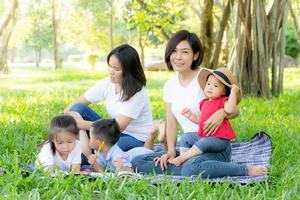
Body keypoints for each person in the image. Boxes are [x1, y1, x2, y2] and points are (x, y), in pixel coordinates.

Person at [131, 30, 268, 178]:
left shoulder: (207, 78)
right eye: (174, 51)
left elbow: (235, 111)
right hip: (190, 146)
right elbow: (171, 122)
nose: (178, 57)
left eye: (185, 52)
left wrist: (221, 113)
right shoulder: (170, 85)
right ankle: (193, 166)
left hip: (215, 146)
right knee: (139, 162)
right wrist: (170, 151)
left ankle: (242, 169)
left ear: (195, 55)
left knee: (191, 167)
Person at [64, 44, 153, 152]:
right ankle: (83, 145)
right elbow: (79, 102)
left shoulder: (138, 94)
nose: (111, 71)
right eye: (110, 66)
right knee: (78, 108)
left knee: (106, 150)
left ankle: (86, 149)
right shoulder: (107, 83)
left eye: (116, 69)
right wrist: (60, 124)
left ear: (129, 71)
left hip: (134, 138)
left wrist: (80, 124)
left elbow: (117, 128)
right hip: (110, 133)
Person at [169, 67, 241, 166]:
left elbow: (230, 109)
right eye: (208, 84)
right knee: (185, 137)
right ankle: (184, 160)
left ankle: (182, 158)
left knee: (203, 143)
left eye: (215, 86)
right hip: (205, 136)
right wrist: (190, 116)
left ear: (224, 92)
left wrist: (233, 93)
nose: (210, 87)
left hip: (219, 139)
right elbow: (201, 120)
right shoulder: (204, 103)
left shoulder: (223, 101)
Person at [86, 119, 153, 172]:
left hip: (144, 155)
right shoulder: (99, 152)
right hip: (137, 151)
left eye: (90, 137)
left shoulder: (117, 156)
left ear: (98, 143)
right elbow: (101, 171)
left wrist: (122, 168)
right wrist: (94, 163)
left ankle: (151, 135)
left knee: (148, 151)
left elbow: (129, 173)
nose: (89, 139)